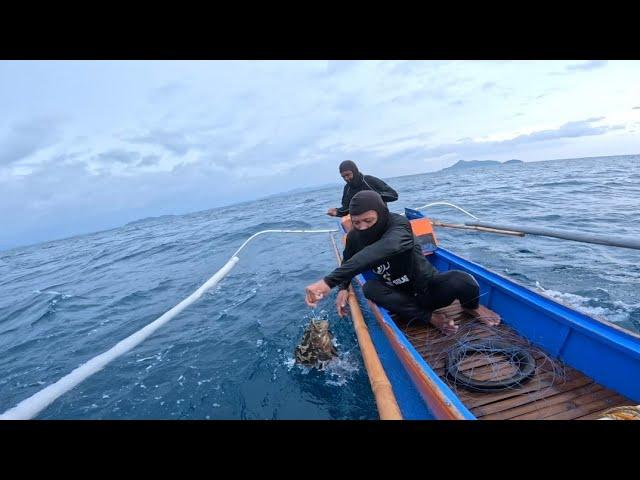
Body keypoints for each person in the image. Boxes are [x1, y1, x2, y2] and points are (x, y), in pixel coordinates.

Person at [307, 191, 500, 334]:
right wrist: (342, 287)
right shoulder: (355, 238)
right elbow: (348, 260)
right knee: (370, 289)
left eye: (368, 221)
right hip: (402, 300)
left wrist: (328, 282)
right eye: (356, 223)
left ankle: (471, 307)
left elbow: (385, 247)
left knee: (462, 280)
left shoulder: (399, 225)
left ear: (381, 214)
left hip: (429, 289)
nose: (362, 227)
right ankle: (429, 318)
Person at [327, 160, 399, 217]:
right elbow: (347, 208)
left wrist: (373, 197)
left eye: (348, 174)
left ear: (355, 171)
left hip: (381, 218)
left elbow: (394, 195)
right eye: (343, 176)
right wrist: (337, 211)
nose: (346, 178)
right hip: (362, 224)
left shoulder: (369, 180)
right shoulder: (347, 188)